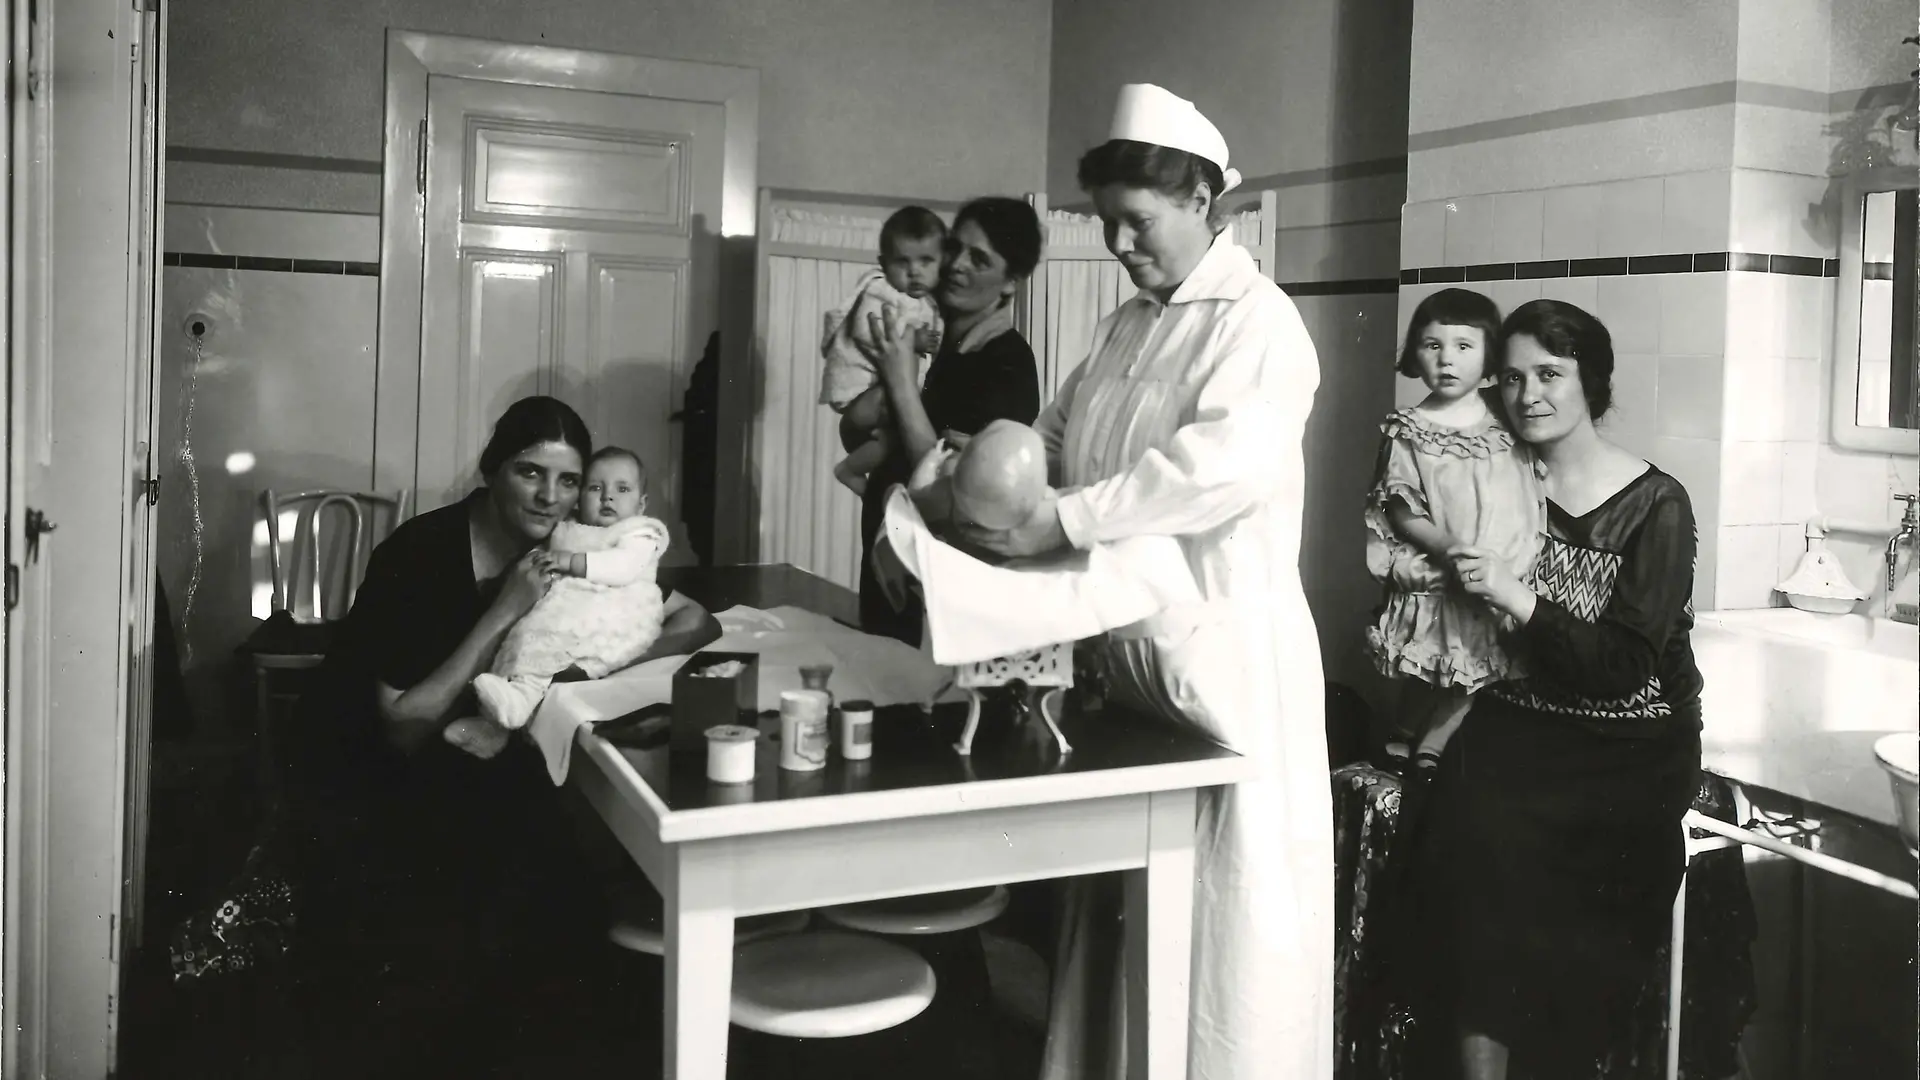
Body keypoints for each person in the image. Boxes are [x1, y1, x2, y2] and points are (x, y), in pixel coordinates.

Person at [879, 83, 1332, 1079]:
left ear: (1203, 200)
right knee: (1125, 925)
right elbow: (1054, 438)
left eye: (1138, 223)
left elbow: (1219, 471)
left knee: (1221, 936)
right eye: (1109, 225)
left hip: (1226, 673)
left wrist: (1066, 520)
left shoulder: (1259, 324)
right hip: (1134, 669)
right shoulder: (1129, 325)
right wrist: (960, 492)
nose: (1121, 246)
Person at [286, 396, 712, 1075]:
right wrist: (505, 611)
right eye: (530, 472)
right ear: (491, 471)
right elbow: (402, 725)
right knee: (496, 915)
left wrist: (600, 661)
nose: (550, 496)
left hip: (473, 756)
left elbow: (694, 619)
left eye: (568, 480)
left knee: (572, 897)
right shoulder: (420, 553)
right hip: (372, 770)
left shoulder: (566, 545)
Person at [1391, 300, 1705, 1079]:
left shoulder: (1656, 503)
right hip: (1520, 721)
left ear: (1590, 381)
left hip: (1628, 743)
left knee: (1565, 923)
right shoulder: (1496, 480)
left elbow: (1621, 668)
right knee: (1466, 863)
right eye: (1511, 377)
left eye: (1550, 374)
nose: (1528, 394)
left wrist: (1514, 593)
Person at [848, 196, 1044, 646]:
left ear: (1011, 282)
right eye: (955, 248)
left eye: (980, 259)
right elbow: (858, 437)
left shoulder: (1007, 364)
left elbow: (956, 491)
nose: (956, 265)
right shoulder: (933, 346)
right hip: (888, 557)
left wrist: (900, 384)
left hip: (941, 588)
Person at [1367, 288, 1543, 772]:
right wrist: (1448, 548)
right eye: (1433, 345)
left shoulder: (1503, 417)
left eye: (1464, 346)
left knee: (1478, 667)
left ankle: (1431, 747)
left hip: (1504, 567)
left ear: (1490, 354)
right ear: (1414, 353)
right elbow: (1400, 509)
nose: (1447, 360)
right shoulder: (1410, 429)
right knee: (1434, 664)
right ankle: (1410, 739)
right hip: (1446, 568)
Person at [463, 446, 721, 742]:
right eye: (596, 488)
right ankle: (490, 730)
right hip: (553, 628)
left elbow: (626, 572)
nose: (607, 497)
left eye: (622, 489)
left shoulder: (635, 537)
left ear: (641, 504)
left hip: (600, 641)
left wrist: (613, 661)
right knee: (520, 661)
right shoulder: (568, 534)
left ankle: (508, 713)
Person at [824, 206, 947, 497]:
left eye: (926, 261)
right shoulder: (880, 290)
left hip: (880, 394)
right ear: (884, 264)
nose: (914, 271)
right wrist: (913, 339)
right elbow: (866, 329)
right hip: (863, 392)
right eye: (902, 262)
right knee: (901, 422)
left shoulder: (928, 302)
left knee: (892, 440)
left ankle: (853, 469)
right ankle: (849, 470)